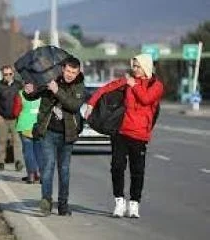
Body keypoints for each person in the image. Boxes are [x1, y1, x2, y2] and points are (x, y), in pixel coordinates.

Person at [84, 54, 164, 218]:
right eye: (133, 66)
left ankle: (134, 204)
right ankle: (119, 202)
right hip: (121, 132)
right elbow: (104, 89)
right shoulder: (128, 81)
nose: (134, 70)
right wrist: (91, 104)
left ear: (146, 68)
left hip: (140, 134)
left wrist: (134, 86)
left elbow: (146, 99)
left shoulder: (156, 85)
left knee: (137, 171)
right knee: (117, 167)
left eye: (137, 66)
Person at [23, 56, 85, 216]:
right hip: (48, 131)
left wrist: (57, 91)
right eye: (68, 71)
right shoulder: (51, 79)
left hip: (68, 134)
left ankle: (63, 205)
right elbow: (34, 94)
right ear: (63, 69)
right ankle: (46, 202)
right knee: (48, 166)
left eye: (74, 72)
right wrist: (28, 90)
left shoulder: (79, 86)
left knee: (64, 170)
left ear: (78, 73)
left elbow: (74, 105)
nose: (70, 74)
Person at [0, 65, 24, 171]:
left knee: (17, 141)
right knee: (1, 141)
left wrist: (22, 114)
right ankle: (1, 162)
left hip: (15, 118)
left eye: (10, 74)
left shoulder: (18, 85)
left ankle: (18, 162)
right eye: (5, 74)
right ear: (2, 74)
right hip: (2, 117)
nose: (8, 76)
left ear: (13, 74)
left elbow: (24, 100)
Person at [15, 86, 43, 184]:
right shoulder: (41, 93)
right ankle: (41, 174)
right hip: (39, 125)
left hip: (25, 125)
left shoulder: (21, 94)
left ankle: (31, 175)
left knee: (28, 151)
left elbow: (16, 111)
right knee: (39, 151)